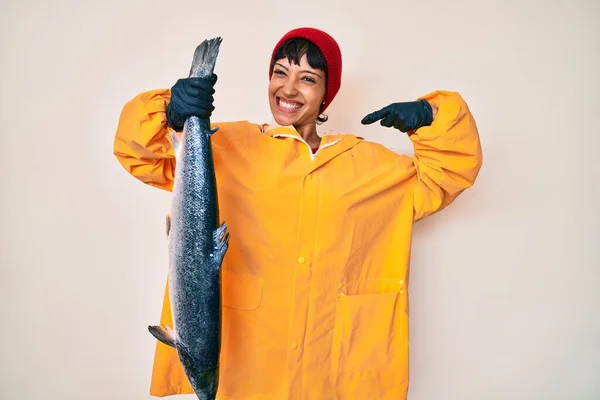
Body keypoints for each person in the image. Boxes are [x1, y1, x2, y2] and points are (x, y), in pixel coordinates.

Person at [113, 27, 483, 400]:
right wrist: (169, 110)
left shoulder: (373, 167)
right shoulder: (228, 145)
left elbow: (449, 173)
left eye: (307, 78)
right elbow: (139, 155)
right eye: (280, 72)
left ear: (327, 93)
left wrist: (430, 116)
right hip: (245, 370)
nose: (288, 89)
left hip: (332, 374)